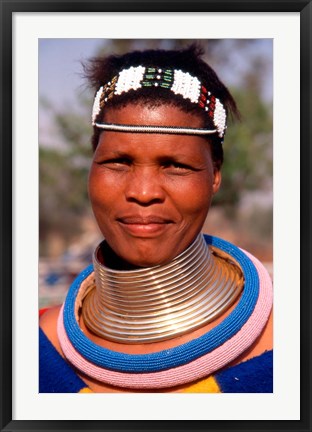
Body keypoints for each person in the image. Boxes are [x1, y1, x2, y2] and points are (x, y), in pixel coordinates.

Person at [39, 45, 273, 393]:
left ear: (214, 176)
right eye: (118, 161)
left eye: (176, 165)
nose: (144, 192)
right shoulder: (36, 350)